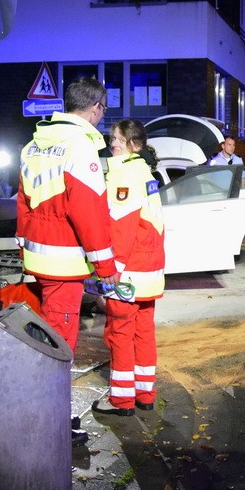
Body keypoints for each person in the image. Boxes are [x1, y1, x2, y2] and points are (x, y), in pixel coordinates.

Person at [17, 77, 119, 356]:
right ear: (96, 107)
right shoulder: (80, 145)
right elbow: (88, 210)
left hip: (38, 254)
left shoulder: (33, 145)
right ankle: (52, 396)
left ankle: (42, 391)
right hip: (64, 258)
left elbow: (23, 202)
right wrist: (105, 265)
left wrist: (23, 248)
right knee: (60, 340)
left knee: (45, 329)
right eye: (104, 110)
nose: (102, 116)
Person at [91, 119, 165, 417]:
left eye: (117, 139)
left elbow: (122, 227)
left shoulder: (125, 173)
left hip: (128, 270)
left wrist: (113, 268)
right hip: (149, 271)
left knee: (119, 332)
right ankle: (145, 394)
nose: (112, 144)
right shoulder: (145, 171)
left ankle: (121, 400)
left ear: (134, 143)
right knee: (143, 332)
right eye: (112, 138)